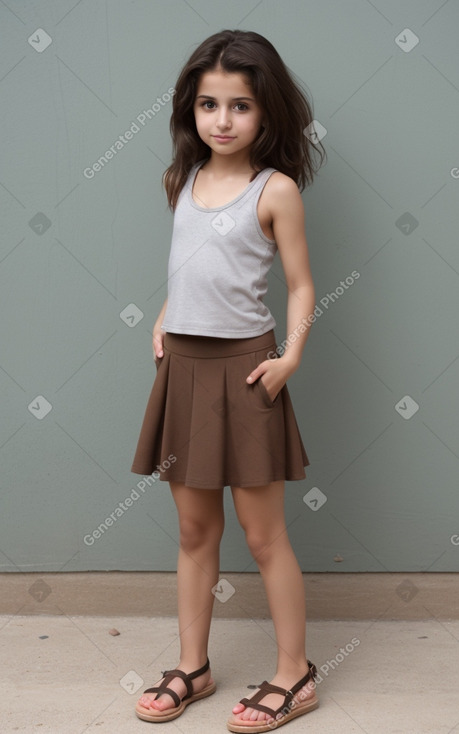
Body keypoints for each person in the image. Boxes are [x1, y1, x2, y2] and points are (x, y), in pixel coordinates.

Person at [131, 29, 326, 732]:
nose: (221, 120)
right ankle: (194, 666)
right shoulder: (180, 180)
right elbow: (192, 268)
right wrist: (163, 316)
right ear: (190, 110)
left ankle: (293, 672)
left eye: (239, 106)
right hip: (182, 369)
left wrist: (291, 356)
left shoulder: (274, 191)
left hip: (247, 371)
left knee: (262, 532)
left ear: (266, 112)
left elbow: (301, 287)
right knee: (192, 528)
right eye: (208, 105)